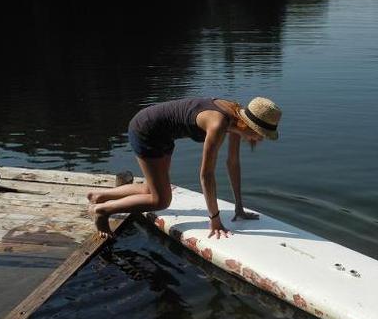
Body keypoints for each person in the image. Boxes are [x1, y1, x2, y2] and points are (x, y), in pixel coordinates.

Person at [87, 96, 282, 239]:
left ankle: (99, 196)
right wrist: (214, 218)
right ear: (249, 125)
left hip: (163, 134)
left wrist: (239, 207)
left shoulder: (236, 117)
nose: (260, 139)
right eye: (260, 134)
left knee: (150, 189)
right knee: (160, 200)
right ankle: (102, 210)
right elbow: (206, 175)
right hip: (146, 130)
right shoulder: (218, 124)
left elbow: (233, 163)